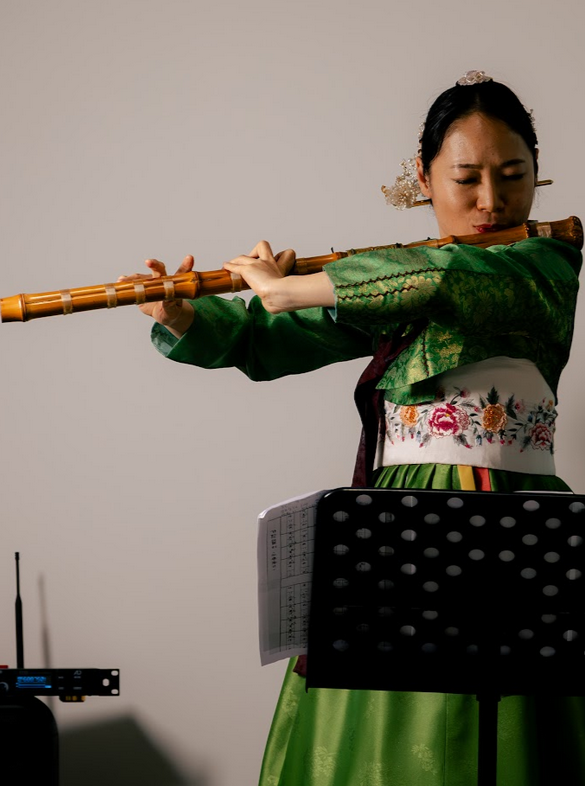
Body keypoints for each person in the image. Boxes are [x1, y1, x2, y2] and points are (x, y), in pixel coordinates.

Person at [120, 71, 584, 785]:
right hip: (398, 523)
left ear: (536, 171)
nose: (491, 201)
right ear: (424, 179)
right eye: (466, 179)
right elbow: (270, 339)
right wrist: (185, 313)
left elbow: (443, 278)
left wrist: (286, 287)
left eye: (513, 175)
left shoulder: (544, 264)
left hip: (513, 517)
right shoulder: (387, 282)